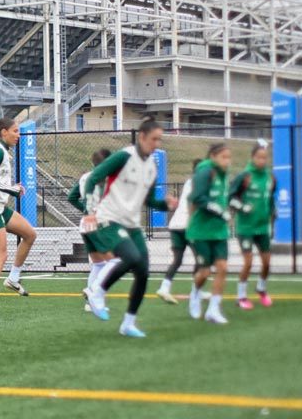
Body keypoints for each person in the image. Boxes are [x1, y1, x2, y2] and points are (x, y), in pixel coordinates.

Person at [83, 117, 178, 338]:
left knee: (143, 271)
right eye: (154, 139)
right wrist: (89, 211)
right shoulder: (124, 156)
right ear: (142, 137)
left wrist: (166, 204)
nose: (157, 144)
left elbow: (150, 201)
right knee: (131, 257)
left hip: (132, 225)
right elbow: (93, 179)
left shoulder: (152, 167)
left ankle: (128, 323)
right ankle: (97, 290)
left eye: (160, 140)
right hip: (109, 218)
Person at [0, 118, 39, 325]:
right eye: (15, 131)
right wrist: (11, 188)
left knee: (30, 234)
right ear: (4, 132)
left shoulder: (2, 150)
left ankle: (13, 278)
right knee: (0, 255)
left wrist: (10, 188)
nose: (18, 135)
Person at [187, 143, 235, 324]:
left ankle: (213, 309)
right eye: (224, 157)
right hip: (201, 231)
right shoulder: (205, 172)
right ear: (213, 156)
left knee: (223, 268)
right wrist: (220, 212)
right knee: (205, 272)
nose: (227, 161)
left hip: (219, 231)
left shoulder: (224, 175)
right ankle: (195, 292)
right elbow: (197, 198)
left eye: (229, 157)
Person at [230, 141, 275, 309]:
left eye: (265, 158)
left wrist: (271, 213)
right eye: (259, 158)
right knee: (248, 262)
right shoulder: (245, 176)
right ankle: (241, 296)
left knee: (267, 262)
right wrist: (242, 207)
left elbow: (270, 199)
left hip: (262, 228)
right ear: (252, 158)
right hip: (246, 227)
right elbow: (230, 197)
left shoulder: (270, 177)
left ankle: (261, 289)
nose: (262, 161)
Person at [67, 148, 113, 311]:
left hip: (87, 223)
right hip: (101, 223)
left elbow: (71, 197)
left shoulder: (84, 177)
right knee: (116, 261)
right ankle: (93, 292)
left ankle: (91, 303)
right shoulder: (106, 178)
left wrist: (86, 210)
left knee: (98, 264)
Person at [155, 159, 201, 304]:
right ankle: (196, 291)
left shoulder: (189, 181)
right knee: (201, 259)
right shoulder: (199, 182)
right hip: (188, 225)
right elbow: (192, 204)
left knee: (178, 259)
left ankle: (164, 287)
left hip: (175, 224)